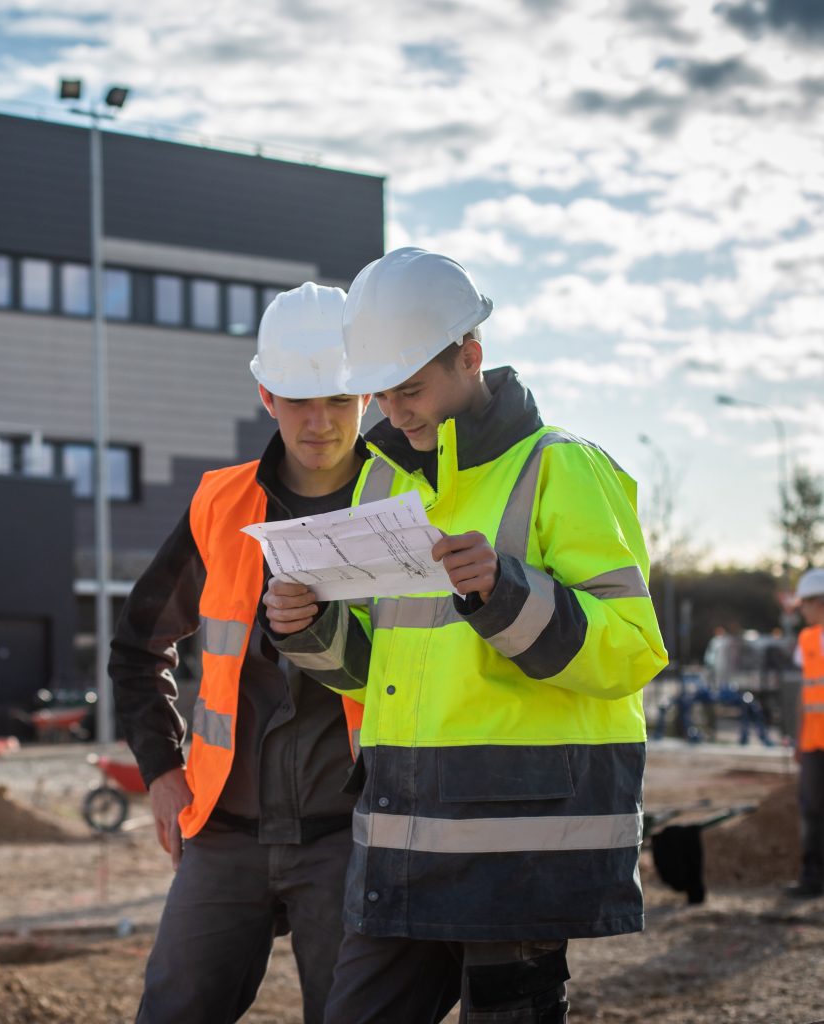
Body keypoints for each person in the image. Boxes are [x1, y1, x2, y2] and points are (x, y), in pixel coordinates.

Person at [263, 247, 668, 1023]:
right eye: (380, 392)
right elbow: (380, 672)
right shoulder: (385, 480)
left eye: (409, 388)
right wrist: (310, 627)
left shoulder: (562, 468)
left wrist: (504, 591)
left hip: (518, 851)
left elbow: (631, 649)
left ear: (470, 356)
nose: (393, 410)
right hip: (399, 839)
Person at [109, 282, 371, 1024]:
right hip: (225, 834)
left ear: (369, 399)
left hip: (350, 837)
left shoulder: (404, 507)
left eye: (340, 401)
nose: (320, 423)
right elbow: (136, 648)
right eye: (299, 401)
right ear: (266, 395)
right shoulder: (220, 507)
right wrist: (161, 772)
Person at [785, 567, 824, 898]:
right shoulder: (807, 639)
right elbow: (804, 694)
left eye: (805, 605)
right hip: (813, 742)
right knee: (812, 810)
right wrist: (798, 738)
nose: (802, 612)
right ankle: (813, 879)